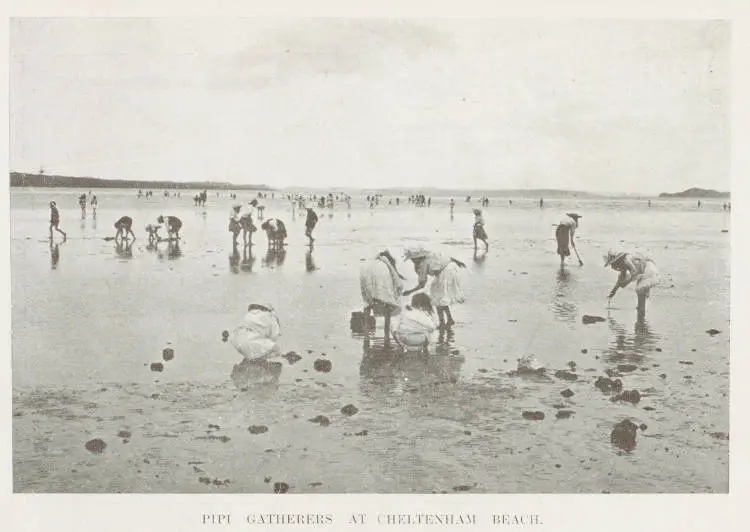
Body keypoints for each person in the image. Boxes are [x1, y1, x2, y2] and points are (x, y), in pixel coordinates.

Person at [403, 246, 466, 330]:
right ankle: (450, 319)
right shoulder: (430, 254)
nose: (412, 261)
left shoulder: (423, 264)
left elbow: (422, 284)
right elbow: (449, 258)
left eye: (413, 259)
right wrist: (458, 262)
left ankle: (442, 323)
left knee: (436, 298)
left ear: (417, 258)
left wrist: (409, 291)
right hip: (452, 268)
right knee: (441, 297)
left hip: (445, 273)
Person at [360, 250, 407, 340]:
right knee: (387, 303)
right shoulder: (386, 264)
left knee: (367, 302)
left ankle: (366, 330)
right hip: (380, 274)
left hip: (364, 272)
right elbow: (395, 278)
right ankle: (386, 332)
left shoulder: (370, 263)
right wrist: (399, 288)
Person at [604, 250, 661, 320]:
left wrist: (626, 282)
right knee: (640, 292)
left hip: (649, 269)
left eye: (614, 264)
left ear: (618, 261)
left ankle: (641, 317)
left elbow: (634, 272)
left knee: (640, 289)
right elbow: (620, 281)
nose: (616, 268)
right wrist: (612, 292)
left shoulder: (627, 259)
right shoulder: (624, 266)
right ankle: (641, 318)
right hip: (644, 272)